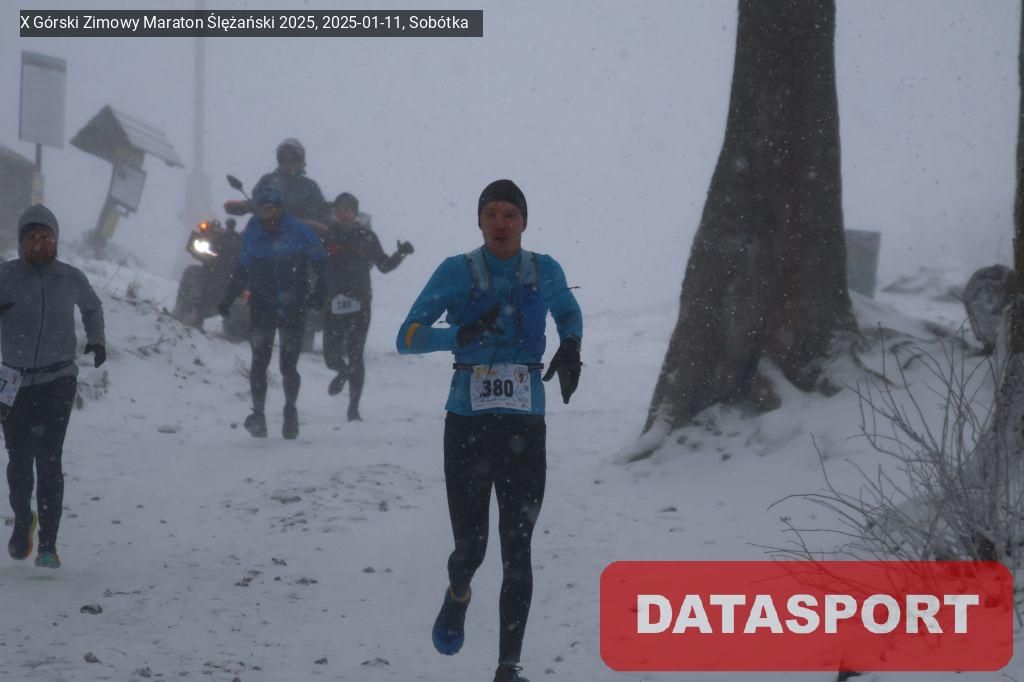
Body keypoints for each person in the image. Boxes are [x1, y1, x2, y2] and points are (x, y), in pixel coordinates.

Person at [396, 180, 582, 682]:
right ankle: (458, 591)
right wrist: (459, 334)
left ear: (525, 222)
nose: (501, 223)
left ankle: (508, 666)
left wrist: (571, 344)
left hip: (525, 425)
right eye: (492, 214)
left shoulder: (545, 270)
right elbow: (406, 337)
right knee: (472, 549)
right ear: (479, 221)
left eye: (510, 214)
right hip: (468, 427)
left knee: (518, 548)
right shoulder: (455, 272)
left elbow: (568, 311)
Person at [0, 204, 106, 569]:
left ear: (55, 241)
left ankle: (48, 544)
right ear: (21, 242)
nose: (39, 243)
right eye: (32, 237)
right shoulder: (5, 277)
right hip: (12, 382)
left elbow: (92, 307)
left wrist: (97, 338)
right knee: (18, 461)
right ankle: (23, 520)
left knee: (49, 459)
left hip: (58, 380)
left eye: (46, 237)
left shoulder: (69, 277)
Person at [218, 184, 327, 440]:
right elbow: (242, 269)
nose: (268, 214)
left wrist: (319, 292)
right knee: (259, 362)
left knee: (288, 365)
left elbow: (320, 261)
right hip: (262, 305)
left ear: (280, 209)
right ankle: (258, 415)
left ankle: (290, 411)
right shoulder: (252, 232)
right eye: (263, 208)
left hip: (293, 306)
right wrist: (228, 299)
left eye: (272, 208)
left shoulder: (299, 231)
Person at [322, 192, 414, 421]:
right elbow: (317, 265)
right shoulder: (327, 235)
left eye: (348, 210)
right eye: (339, 210)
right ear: (335, 212)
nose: (343, 214)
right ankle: (343, 372)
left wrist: (401, 253)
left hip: (360, 301)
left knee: (355, 354)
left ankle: (353, 409)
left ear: (355, 213)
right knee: (331, 355)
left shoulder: (367, 237)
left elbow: (384, 265)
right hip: (333, 300)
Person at [224, 138, 331, 231]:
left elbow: (323, 210)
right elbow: (257, 200)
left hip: (301, 235)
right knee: (243, 239)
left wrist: (331, 223)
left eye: (294, 158)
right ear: (279, 160)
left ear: (301, 160)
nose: (289, 161)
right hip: (267, 231)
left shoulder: (309, 186)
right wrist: (244, 206)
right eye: (284, 158)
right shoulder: (267, 180)